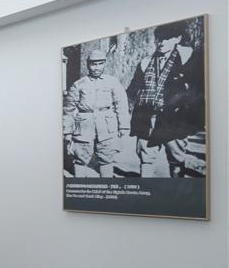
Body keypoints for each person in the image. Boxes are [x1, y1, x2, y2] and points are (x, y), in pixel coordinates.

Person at [126, 22, 205, 178]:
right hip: (147, 119)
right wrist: (142, 100)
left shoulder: (188, 60)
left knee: (176, 159)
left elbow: (198, 92)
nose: (161, 43)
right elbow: (131, 91)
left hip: (174, 120)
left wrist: (187, 114)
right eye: (159, 39)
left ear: (177, 39)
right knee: (146, 159)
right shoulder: (145, 63)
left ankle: (176, 197)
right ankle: (146, 194)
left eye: (167, 39)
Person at [63, 49, 130, 178]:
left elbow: (121, 104)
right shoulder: (79, 85)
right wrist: (67, 132)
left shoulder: (112, 82)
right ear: (88, 65)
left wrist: (123, 126)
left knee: (106, 158)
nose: (97, 67)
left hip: (106, 125)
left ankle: (107, 187)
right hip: (84, 126)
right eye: (93, 64)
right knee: (80, 158)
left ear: (104, 64)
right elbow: (69, 109)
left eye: (100, 64)